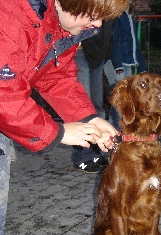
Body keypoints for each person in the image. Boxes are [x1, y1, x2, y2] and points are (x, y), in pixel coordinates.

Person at [0, 0, 127, 235]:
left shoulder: (58, 20)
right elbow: (0, 95)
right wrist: (59, 132)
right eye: (94, 14)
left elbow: (55, 76)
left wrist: (89, 118)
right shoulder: (2, 9)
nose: (97, 24)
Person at [71, 19, 116, 173]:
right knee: (83, 107)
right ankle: (83, 157)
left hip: (97, 56)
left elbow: (109, 31)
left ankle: (98, 151)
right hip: (79, 51)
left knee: (97, 106)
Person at [104, 0, 147, 129]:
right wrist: (118, 65)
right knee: (120, 95)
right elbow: (113, 41)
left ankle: (122, 127)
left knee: (127, 95)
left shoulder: (129, 17)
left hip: (127, 62)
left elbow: (135, 45)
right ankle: (116, 128)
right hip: (115, 62)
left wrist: (141, 66)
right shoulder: (117, 16)